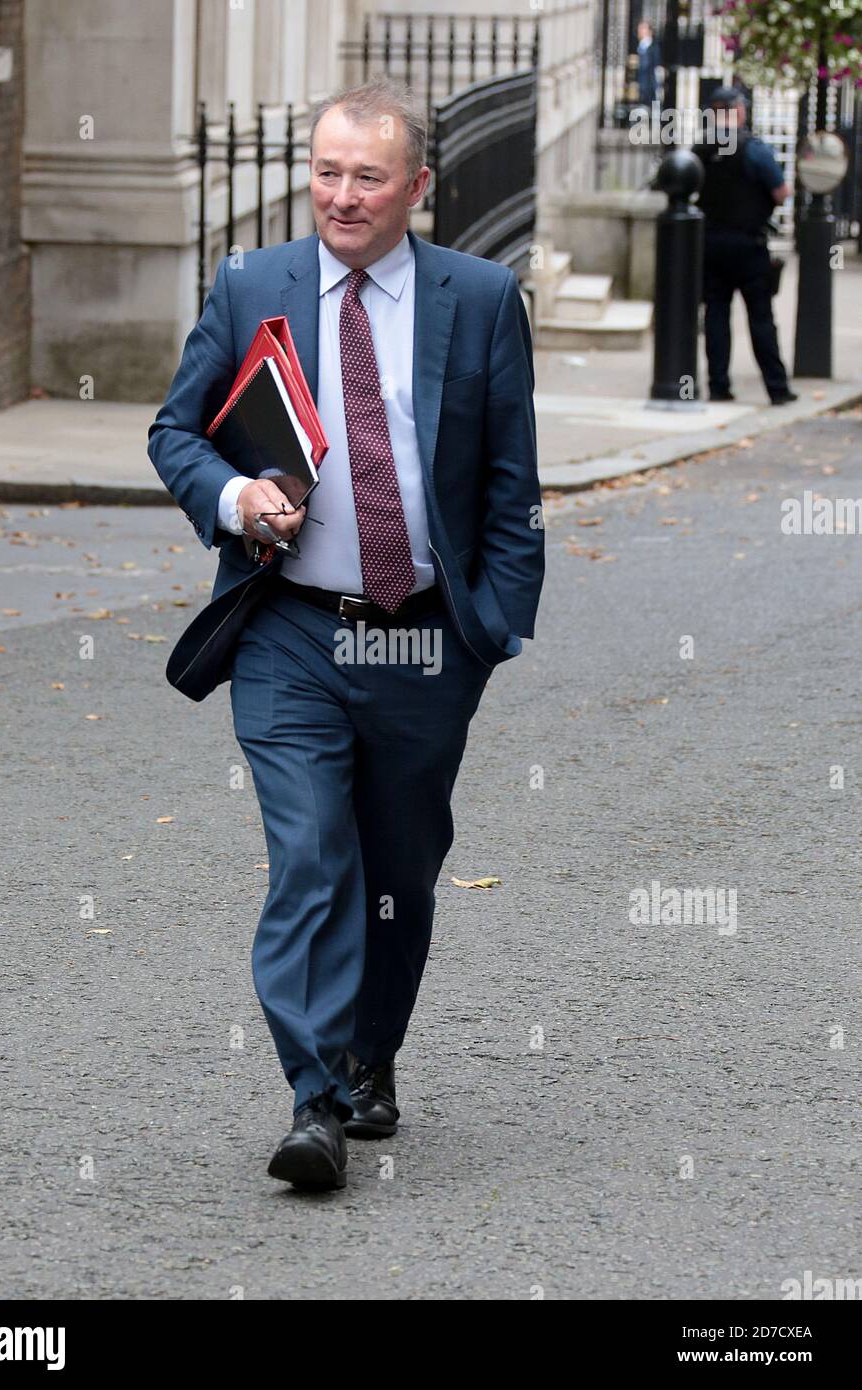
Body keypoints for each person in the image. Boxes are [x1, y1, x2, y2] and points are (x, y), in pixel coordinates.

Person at [147, 76, 544, 1191]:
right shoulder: (251, 286)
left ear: (418, 184)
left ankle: (374, 1055)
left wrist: (491, 633)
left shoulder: (478, 297)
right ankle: (314, 1098)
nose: (342, 195)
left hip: (422, 639)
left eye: (368, 175)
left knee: (399, 871)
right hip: (289, 629)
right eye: (326, 171)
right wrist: (233, 502)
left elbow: (513, 482)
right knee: (312, 854)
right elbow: (178, 432)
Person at [693, 86, 798, 405]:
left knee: (716, 315)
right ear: (738, 111)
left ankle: (718, 386)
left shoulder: (701, 150)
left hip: (711, 244)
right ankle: (777, 389)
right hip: (749, 246)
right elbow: (781, 192)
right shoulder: (754, 150)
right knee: (761, 318)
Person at [636, 19, 661, 110]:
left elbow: (654, 65)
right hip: (642, 81)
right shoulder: (641, 45)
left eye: (643, 28)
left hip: (650, 82)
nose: (640, 31)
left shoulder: (652, 46)